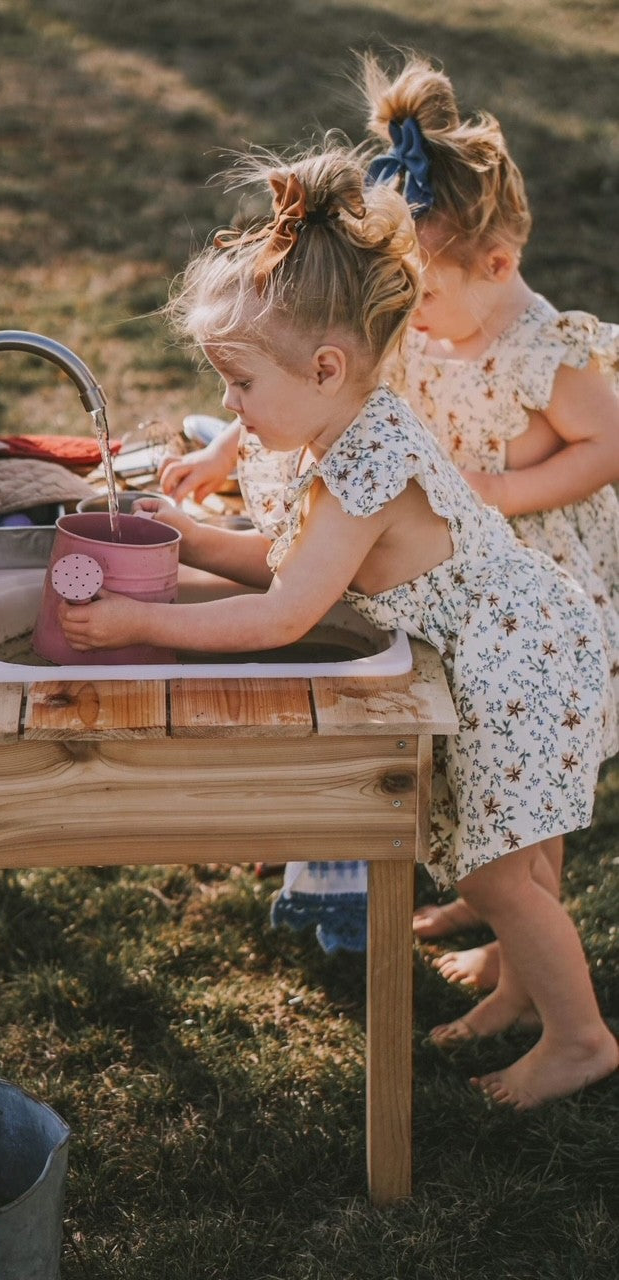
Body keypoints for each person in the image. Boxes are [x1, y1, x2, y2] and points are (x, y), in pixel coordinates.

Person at [59, 143, 618, 1108]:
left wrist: (141, 616)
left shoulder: (366, 459)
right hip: (507, 646)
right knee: (509, 860)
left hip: (518, 660)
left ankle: (580, 1039)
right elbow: (287, 564)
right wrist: (184, 537)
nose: (228, 407)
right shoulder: (341, 429)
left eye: (239, 385)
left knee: (494, 873)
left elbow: (283, 612)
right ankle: (518, 991)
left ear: (325, 365)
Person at [359, 52, 619, 991]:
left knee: (526, 777)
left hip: (551, 593)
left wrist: (500, 491)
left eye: (421, 294)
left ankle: (523, 966)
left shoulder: (545, 349)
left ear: (498, 264)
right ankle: (493, 894)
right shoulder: (436, 325)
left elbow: (607, 449)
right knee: (474, 748)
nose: (411, 318)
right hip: (478, 585)